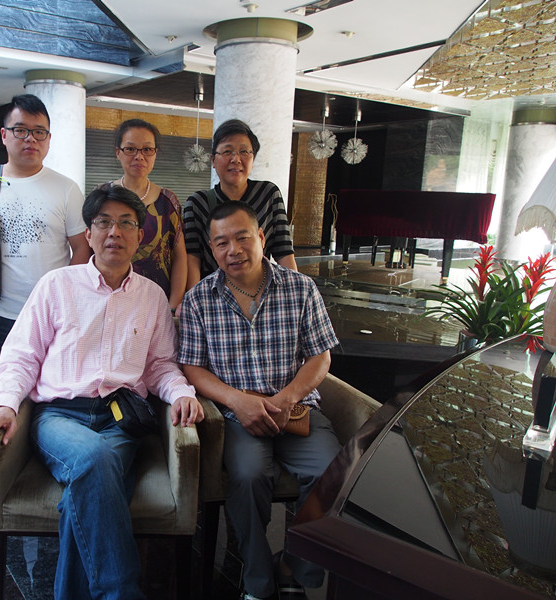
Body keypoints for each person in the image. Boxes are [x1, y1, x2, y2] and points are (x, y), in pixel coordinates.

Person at [0, 185, 204, 600]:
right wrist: (4, 404)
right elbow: (21, 355)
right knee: (95, 459)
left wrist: (182, 392)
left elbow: (160, 366)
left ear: (140, 236)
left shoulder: (151, 297)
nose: (115, 232)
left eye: (126, 223)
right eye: (104, 223)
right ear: (89, 234)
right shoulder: (56, 285)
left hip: (120, 420)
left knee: (86, 491)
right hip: (59, 417)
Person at [179, 201, 340, 600]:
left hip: (297, 410)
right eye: (221, 243)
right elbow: (192, 368)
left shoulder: (301, 288)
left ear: (261, 237)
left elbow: (320, 357)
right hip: (239, 418)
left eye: (242, 237)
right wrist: (237, 401)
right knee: (249, 477)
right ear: (212, 249)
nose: (233, 250)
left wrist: (286, 398)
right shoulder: (199, 300)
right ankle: (257, 580)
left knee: (335, 475)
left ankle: (292, 567)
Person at [0, 94, 91, 412]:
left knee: (47, 401)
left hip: (50, 318)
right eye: (21, 130)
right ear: (4, 135)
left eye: (39, 132)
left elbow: (82, 248)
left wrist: (66, 301)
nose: (31, 138)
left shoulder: (66, 189)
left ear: (49, 139)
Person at [183, 119, 297, 290]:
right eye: (227, 151)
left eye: (244, 151)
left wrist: (294, 292)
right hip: (215, 293)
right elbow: (193, 259)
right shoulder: (197, 203)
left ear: (253, 158)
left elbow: (284, 251)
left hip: (259, 290)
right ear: (213, 160)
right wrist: (195, 299)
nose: (236, 159)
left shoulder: (268, 194)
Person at [98, 119, 187, 310]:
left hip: (157, 304)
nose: (139, 156)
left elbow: (180, 257)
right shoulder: (102, 196)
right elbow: (90, 248)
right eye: (130, 149)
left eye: (147, 149)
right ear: (118, 152)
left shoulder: (167, 201)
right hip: (108, 300)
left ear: (155, 153)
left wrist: (173, 305)